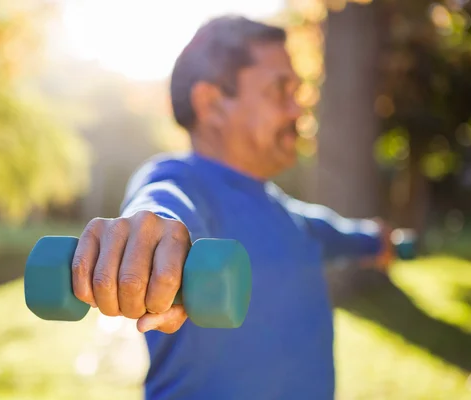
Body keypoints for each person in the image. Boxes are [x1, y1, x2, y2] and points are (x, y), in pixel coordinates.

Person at [71, 15, 394, 400]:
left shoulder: (289, 215)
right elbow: (163, 203)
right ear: (212, 104)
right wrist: (155, 235)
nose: (298, 111)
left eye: (298, 94)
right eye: (280, 91)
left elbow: (337, 232)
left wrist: (377, 239)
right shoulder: (182, 179)